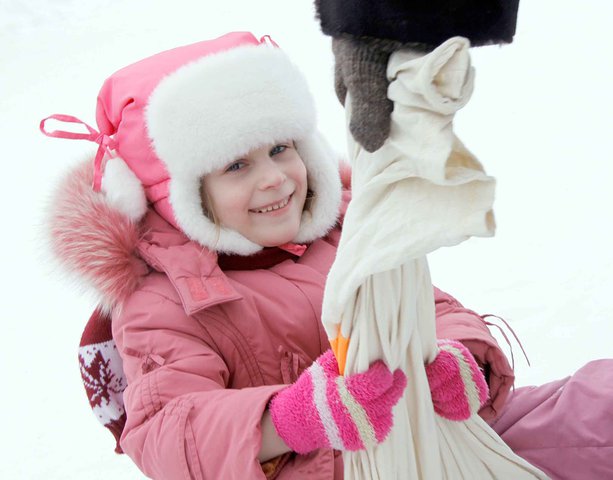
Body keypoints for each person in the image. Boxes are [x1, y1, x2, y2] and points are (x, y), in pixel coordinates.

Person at [43, 32, 611, 479]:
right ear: (180, 196)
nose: (274, 178)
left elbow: (431, 306)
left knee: (591, 409)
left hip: (431, 436)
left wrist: (463, 358)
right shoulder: (162, 301)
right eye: (236, 165)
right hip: (325, 471)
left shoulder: (342, 230)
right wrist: (291, 420)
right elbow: (169, 429)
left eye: (280, 148)